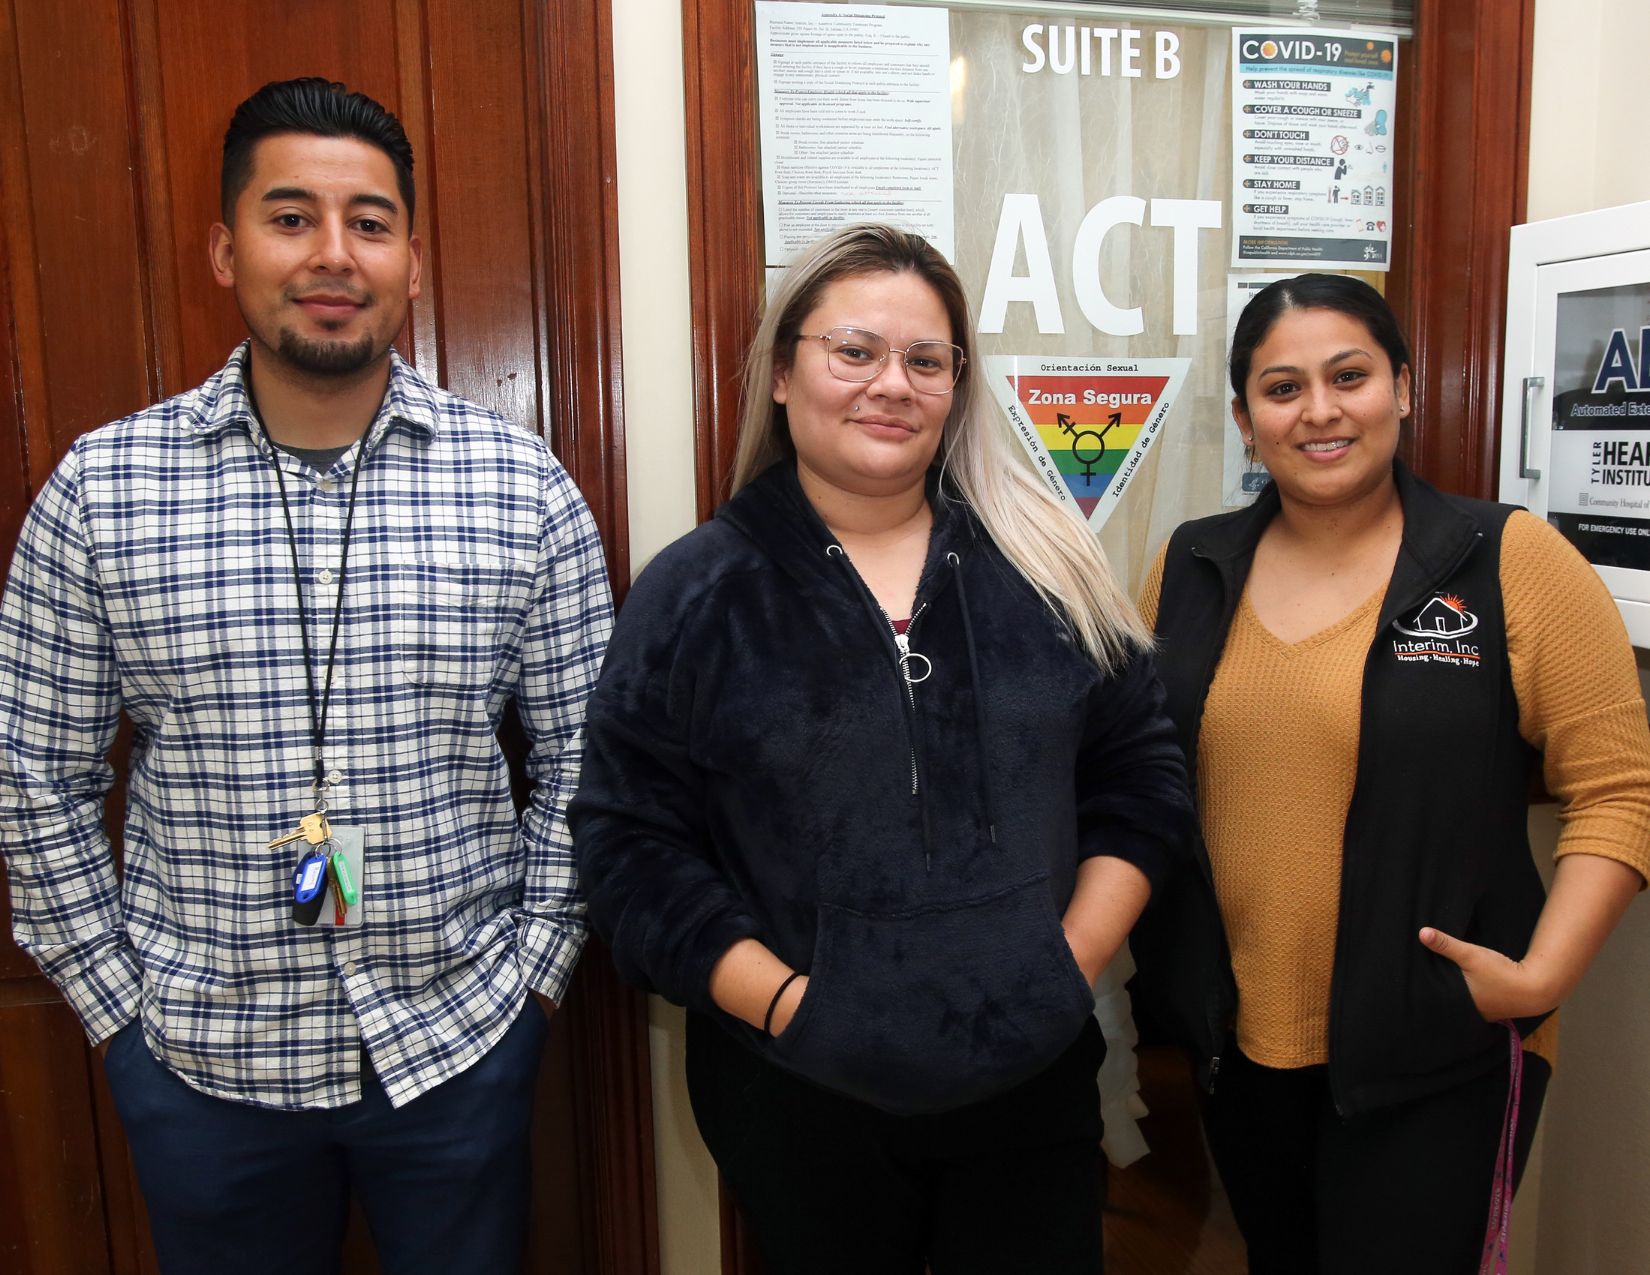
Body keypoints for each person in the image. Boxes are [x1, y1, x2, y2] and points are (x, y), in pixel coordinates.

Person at [0, 78, 613, 1275]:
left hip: (456, 1054)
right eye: (291, 218)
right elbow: (36, 774)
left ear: (414, 262)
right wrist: (119, 1013)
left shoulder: (521, 490)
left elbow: (591, 761)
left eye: (370, 223)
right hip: (200, 1066)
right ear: (225, 250)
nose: (334, 255)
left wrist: (532, 980)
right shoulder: (102, 490)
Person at [570, 223, 1192, 1273]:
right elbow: (631, 848)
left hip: (1029, 1085)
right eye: (853, 351)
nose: (890, 385)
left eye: (925, 360)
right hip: (797, 1095)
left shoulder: (1047, 563)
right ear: (782, 372)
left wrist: (1066, 964)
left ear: (958, 385)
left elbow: (1142, 777)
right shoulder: (696, 591)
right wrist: (787, 1007)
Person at [1132, 273, 1650, 1274]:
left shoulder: (1505, 560)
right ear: (1244, 419)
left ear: (1405, 388)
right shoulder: (1190, 567)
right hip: (1238, 1048)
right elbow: (1146, 777)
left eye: (1350, 375)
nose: (1320, 410)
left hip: (1440, 1044)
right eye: (1281, 389)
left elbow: (1621, 786)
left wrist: (1540, 978)